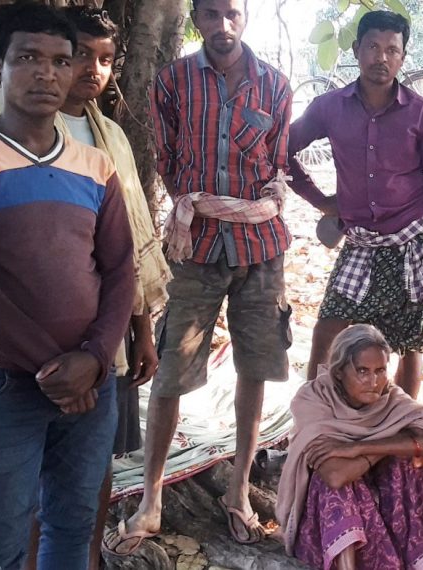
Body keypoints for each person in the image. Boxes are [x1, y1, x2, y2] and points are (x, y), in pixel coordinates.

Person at [0, 6, 171, 565]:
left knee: (72, 526)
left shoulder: (95, 164)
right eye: (28, 58)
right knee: (0, 531)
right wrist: (56, 368)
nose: (46, 74)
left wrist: (94, 358)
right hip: (7, 386)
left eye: (59, 62)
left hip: (88, 382)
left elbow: (121, 270)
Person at [108, 0, 294, 551]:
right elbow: (166, 159)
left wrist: (244, 205)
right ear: (195, 17)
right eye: (211, 15)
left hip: (262, 247)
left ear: (246, 16)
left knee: (254, 367)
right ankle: (151, 497)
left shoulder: (276, 85)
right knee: (172, 371)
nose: (223, 26)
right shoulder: (172, 82)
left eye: (232, 13)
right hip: (195, 248)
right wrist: (205, 203)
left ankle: (237, 490)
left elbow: (278, 164)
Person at [289, 10, 423, 400]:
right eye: (372, 47)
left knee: (408, 344)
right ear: (356, 50)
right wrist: (321, 201)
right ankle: (314, 419)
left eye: (391, 50)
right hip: (362, 245)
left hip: (411, 244)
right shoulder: (329, 107)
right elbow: (284, 150)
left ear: (402, 57)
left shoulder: (422, 114)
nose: (380, 58)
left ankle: (397, 428)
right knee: (328, 328)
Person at [276, 324, 423, 570]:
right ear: (339, 371)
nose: (373, 381)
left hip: (382, 506)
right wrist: (378, 451)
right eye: (362, 371)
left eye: (380, 371)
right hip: (323, 529)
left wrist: (361, 449)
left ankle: (419, 562)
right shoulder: (313, 399)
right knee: (336, 487)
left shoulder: (390, 397)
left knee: (413, 466)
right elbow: (335, 475)